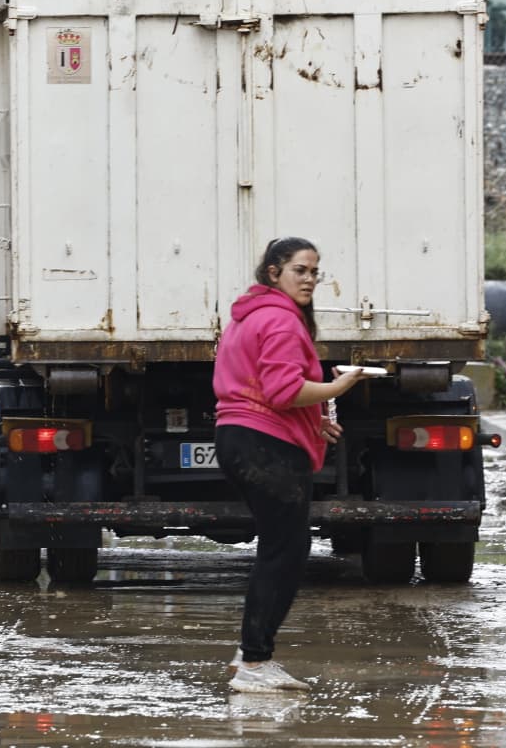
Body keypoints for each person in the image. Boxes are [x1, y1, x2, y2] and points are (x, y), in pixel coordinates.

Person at [213, 236, 363, 693]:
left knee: (283, 549)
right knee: (285, 552)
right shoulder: (280, 320)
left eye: (315, 271)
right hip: (263, 445)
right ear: (274, 272)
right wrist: (340, 388)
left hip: (243, 436)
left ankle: (252, 655)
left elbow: (264, 388)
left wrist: (312, 421)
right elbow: (282, 391)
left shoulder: (251, 315)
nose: (310, 279)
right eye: (300, 270)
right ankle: (255, 662)